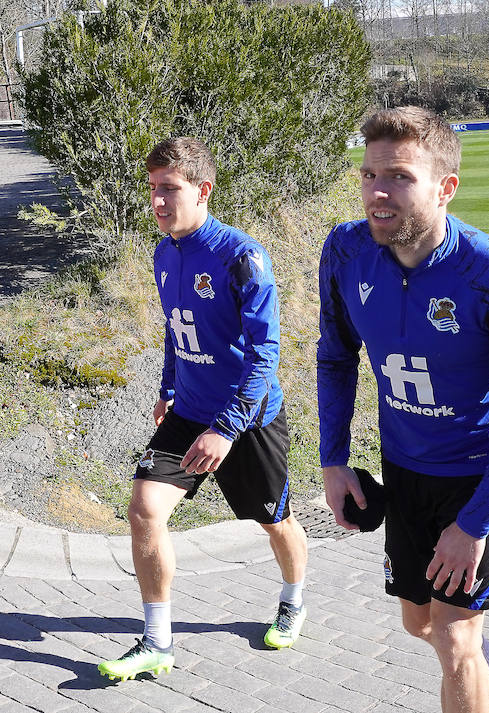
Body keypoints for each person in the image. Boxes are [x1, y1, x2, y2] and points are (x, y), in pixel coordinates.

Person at [315, 106, 489, 713]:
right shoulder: (345, 252)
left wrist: (472, 525)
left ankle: (476, 669)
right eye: (369, 175)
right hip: (405, 471)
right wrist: (334, 459)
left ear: (446, 187)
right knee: (419, 625)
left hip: (480, 477)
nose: (377, 192)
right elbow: (336, 357)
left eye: (398, 177)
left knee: (452, 636)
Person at [98, 137, 310, 682]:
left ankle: (293, 598)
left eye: (170, 189)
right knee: (144, 509)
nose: (159, 202)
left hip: (247, 420)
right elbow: (176, 331)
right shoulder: (164, 253)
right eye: (152, 190)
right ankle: (157, 641)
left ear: (203, 189)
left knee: (275, 521)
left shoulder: (241, 257)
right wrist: (169, 386)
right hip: (189, 412)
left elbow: (264, 357)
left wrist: (227, 428)